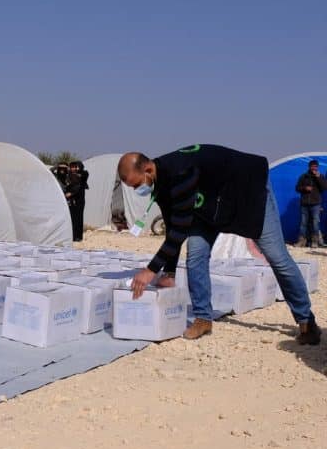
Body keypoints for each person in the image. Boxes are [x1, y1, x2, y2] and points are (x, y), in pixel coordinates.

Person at [117, 144, 321, 344]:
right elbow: (172, 227)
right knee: (195, 255)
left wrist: (150, 270)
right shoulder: (159, 184)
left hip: (248, 192)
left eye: (136, 185)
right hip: (209, 206)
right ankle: (203, 318)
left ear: (148, 169)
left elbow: (179, 231)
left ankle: (306, 321)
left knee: (277, 257)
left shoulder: (180, 173)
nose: (137, 190)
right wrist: (169, 273)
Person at [295, 159, 327, 247]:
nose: (314, 168)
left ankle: (315, 241)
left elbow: (324, 187)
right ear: (309, 167)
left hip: (316, 204)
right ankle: (302, 241)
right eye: (313, 166)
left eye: (316, 166)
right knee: (303, 223)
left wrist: (318, 177)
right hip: (304, 204)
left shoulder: (321, 176)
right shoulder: (303, 176)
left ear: (317, 167)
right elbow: (297, 188)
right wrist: (305, 188)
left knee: (315, 223)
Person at [66, 161, 88, 241]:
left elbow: (79, 185)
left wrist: (71, 193)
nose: (75, 168)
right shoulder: (68, 175)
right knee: (72, 218)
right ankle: (73, 236)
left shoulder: (83, 174)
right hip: (71, 201)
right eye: (73, 167)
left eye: (76, 167)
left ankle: (78, 237)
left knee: (78, 218)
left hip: (79, 200)